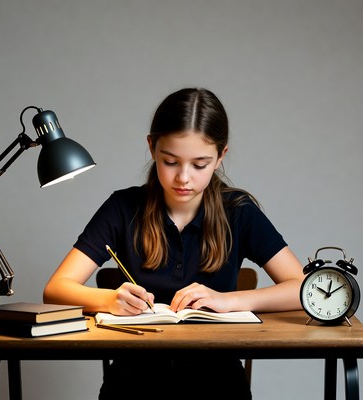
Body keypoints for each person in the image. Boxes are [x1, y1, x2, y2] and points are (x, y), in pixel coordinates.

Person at [43, 87, 305, 399]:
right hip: (133, 381)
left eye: (199, 164)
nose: (183, 177)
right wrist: (110, 300)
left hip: (218, 381)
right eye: (170, 161)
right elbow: (55, 290)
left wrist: (231, 301)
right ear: (152, 147)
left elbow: (303, 289)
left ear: (220, 156)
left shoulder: (239, 212)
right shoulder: (123, 207)